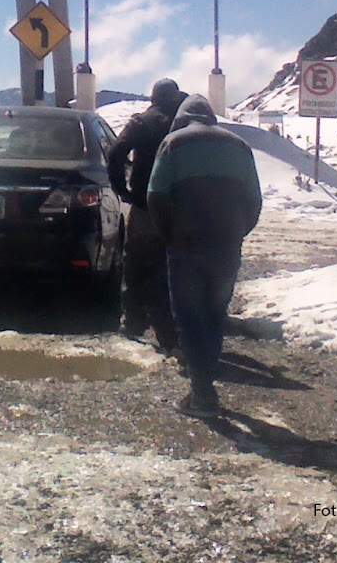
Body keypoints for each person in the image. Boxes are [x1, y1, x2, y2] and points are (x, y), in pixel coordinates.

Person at [146, 94, 262, 418]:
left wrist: (169, 234)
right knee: (214, 316)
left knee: (189, 317)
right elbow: (254, 201)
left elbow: (155, 196)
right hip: (226, 248)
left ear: (182, 118)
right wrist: (237, 233)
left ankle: (202, 393)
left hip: (185, 247)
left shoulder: (173, 143)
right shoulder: (240, 147)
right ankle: (206, 383)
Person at [107, 78, 186, 352]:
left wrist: (123, 190)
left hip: (144, 204)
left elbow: (116, 152)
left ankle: (132, 320)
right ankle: (172, 326)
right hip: (180, 208)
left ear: (153, 98)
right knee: (172, 266)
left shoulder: (140, 123)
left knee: (135, 262)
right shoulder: (183, 123)